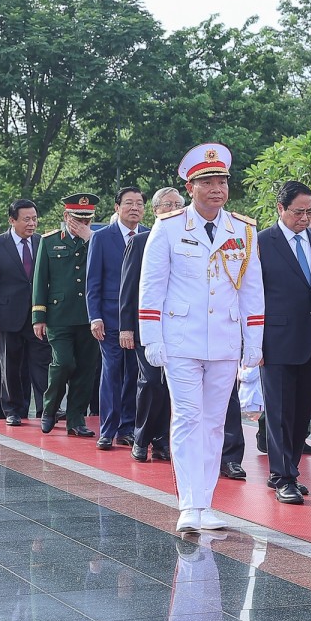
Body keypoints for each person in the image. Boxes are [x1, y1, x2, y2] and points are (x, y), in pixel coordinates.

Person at [139, 143, 264, 534]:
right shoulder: (170, 226)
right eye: (207, 181)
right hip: (181, 339)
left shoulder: (242, 230)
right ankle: (188, 503)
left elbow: (252, 290)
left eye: (222, 181)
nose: (217, 188)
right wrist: (151, 337)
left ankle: (205, 501)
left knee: (214, 423)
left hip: (225, 341)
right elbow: (152, 286)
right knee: (188, 418)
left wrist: (254, 340)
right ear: (191, 187)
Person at [258, 181, 311, 505]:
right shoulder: (262, 242)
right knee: (279, 413)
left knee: (302, 413)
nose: (305, 218)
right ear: (281, 209)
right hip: (275, 341)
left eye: (310, 212)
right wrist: (252, 343)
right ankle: (284, 477)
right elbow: (252, 296)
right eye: (298, 212)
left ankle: (286, 469)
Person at [0, 199, 52, 425]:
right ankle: (12, 410)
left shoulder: (42, 243)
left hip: (38, 317)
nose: (32, 224)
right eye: (26, 219)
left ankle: (46, 409)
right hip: (7, 317)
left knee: (42, 365)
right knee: (10, 367)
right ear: (12, 220)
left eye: (34, 218)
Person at [32, 194, 101, 439]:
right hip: (59, 315)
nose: (82, 223)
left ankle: (76, 419)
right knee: (63, 363)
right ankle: (49, 408)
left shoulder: (97, 240)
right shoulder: (49, 241)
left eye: (87, 219)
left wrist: (91, 239)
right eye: (77, 218)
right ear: (66, 217)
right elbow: (40, 280)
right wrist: (38, 317)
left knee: (85, 368)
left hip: (89, 316)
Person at [120, 187, 181, 462]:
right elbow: (128, 287)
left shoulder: (188, 239)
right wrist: (126, 326)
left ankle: (161, 440)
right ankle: (141, 436)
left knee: (173, 386)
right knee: (152, 382)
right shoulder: (142, 240)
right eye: (167, 204)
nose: (173, 209)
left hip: (178, 326)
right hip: (146, 326)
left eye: (178, 204)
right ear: (156, 210)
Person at [86, 187, 148, 448]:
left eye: (139, 204)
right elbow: (92, 282)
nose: (134, 208)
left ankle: (127, 428)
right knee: (112, 372)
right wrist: (95, 316)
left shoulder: (150, 236)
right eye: (129, 203)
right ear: (117, 207)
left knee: (135, 374)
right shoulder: (102, 238)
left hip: (140, 319)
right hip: (109, 319)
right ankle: (107, 429)